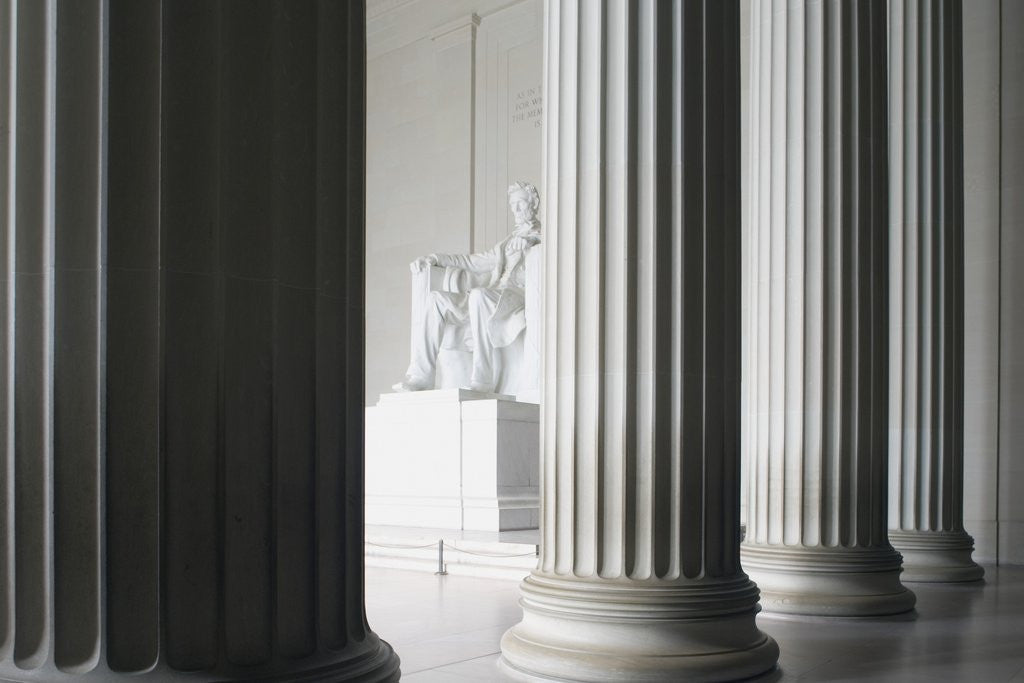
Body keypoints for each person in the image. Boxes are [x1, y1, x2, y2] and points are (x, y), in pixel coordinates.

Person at [393, 181, 541, 393]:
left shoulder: (544, 236)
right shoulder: (506, 244)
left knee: (479, 296)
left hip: (517, 297)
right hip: (490, 297)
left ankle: (483, 379)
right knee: (437, 299)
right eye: (512, 205)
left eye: (520, 203)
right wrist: (434, 258)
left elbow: (555, 248)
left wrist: (532, 243)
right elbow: (472, 261)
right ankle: (421, 375)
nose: (515, 210)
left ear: (533, 203)